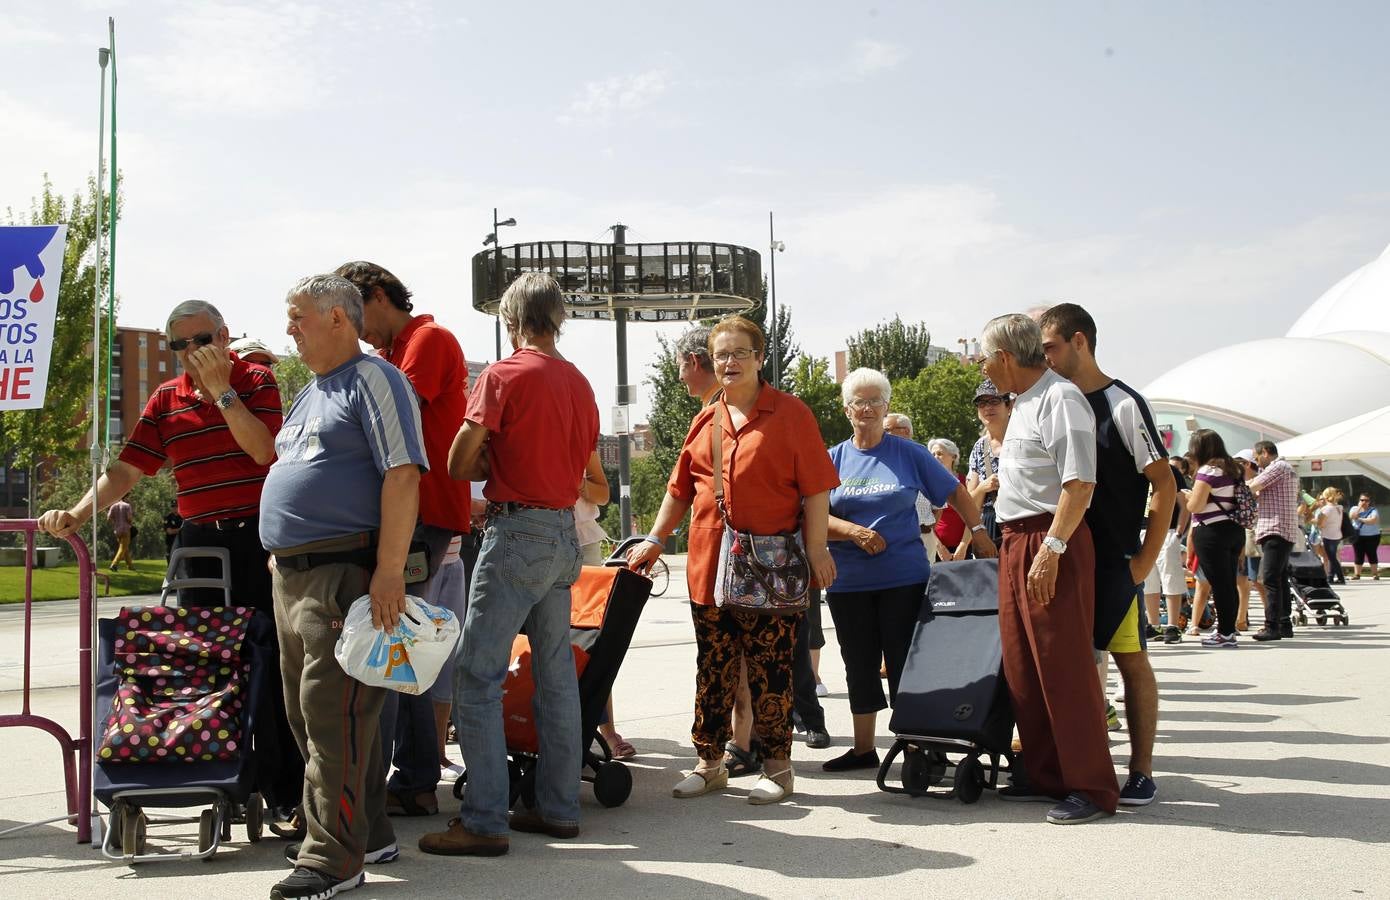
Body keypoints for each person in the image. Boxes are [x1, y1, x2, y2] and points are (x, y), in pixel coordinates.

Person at [36, 299, 302, 819]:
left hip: (258, 540)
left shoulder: (255, 381)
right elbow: (128, 469)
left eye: (200, 342)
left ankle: (286, 794)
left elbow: (263, 451)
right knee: (203, 667)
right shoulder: (166, 398)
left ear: (223, 336)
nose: (190, 355)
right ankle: (214, 779)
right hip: (199, 543)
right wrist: (78, 512)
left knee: (272, 667)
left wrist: (222, 391)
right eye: (179, 346)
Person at [259, 273, 428, 900]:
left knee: (338, 720)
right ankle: (370, 832)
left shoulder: (375, 378)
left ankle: (334, 860)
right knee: (310, 720)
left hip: (343, 575)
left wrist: (387, 572)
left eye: (298, 316)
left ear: (339, 317)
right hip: (295, 576)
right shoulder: (311, 392)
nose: (290, 328)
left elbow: (403, 474)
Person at [421, 272, 599, 856]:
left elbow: (456, 460)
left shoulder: (502, 374)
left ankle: (484, 819)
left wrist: (487, 464)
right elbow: (583, 465)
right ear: (559, 319)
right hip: (562, 534)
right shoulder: (579, 382)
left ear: (511, 319)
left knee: (478, 673)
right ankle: (558, 808)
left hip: (516, 529)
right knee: (555, 677)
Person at [627, 315, 838, 805]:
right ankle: (709, 764)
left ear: (760, 358)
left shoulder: (791, 414)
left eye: (739, 353)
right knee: (713, 668)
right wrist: (657, 538)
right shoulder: (705, 419)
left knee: (772, 670)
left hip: (772, 569)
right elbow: (679, 491)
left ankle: (778, 768)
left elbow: (816, 492)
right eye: (721, 354)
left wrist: (819, 549)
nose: (728, 362)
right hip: (709, 568)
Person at [336, 260, 474, 820]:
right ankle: (412, 776)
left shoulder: (428, 339)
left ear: (377, 295)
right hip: (409, 514)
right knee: (401, 639)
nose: (352, 324)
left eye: (354, 310)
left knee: (398, 639)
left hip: (426, 513)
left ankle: (412, 775)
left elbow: (389, 416)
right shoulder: (393, 352)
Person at [980, 312, 1117, 825]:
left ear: (1007, 357)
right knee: (1022, 665)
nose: (982, 367)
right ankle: (1046, 773)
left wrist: (1052, 549)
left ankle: (1091, 785)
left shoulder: (1061, 398)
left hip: (1047, 537)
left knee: (1063, 666)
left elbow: (1079, 484)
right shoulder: (1025, 404)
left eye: (985, 357)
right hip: (1016, 537)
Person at [822, 369, 994, 773]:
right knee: (859, 664)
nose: (867, 409)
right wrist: (851, 531)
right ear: (847, 409)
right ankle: (864, 749)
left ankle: (916, 746)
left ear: (886, 407)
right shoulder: (831, 459)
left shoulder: (909, 453)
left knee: (904, 663)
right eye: (859, 402)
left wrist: (979, 531)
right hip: (849, 583)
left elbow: (954, 491)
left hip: (904, 578)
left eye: (875, 402)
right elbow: (810, 517)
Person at [1039, 302, 1176, 807]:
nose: (1045, 357)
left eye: (1050, 346)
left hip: (1114, 564)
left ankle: (1141, 770)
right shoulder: (1050, 402)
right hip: (1063, 561)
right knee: (1069, 665)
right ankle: (1072, 767)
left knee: (1129, 659)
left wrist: (1143, 560)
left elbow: (1164, 485)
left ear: (1080, 341)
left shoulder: (1123, 403)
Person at [1184, 429, 1245, 647]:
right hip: (1234, 529)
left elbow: (1196, 506)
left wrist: (1188, 496)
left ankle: (1225, 633)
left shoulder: (1207, 471)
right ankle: (1229, 630)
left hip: (1211, 531)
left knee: (1219, 584)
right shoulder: (1233, 469)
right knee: (1228, 582)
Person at [1247, 441, 1302, 642]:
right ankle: (1284, 624)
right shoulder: (1284, 468)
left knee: (1269, 579)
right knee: (1279, 579)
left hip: (1276, 529)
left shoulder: (1278, 466)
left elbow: (1253, 486)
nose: (1255, 460)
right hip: (1280, 530)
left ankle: (1272, 626)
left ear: (1266, 452)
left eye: (1257, 456)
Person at [1142, 458, 1189, 643]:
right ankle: (1154, 625)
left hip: (1167, 530)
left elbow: (1184, 504)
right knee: (1148, 578)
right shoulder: (1136, 471)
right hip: (1141, 529)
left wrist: (1178, 533)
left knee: (1170, 576)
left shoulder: (1169, 470)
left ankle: (1173, 626)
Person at [966, 379, 1011, 547]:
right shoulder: (979, 447)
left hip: (1023, 518)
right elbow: (970, 502)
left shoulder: (1023, 439)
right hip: (991, 522)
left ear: (1009, 406)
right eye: (981, 403)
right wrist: (984, 487)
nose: (987, 407)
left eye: (994, 401)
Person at [926, 437, 973, 561]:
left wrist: (963, 545)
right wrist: (939, 547)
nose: (936, 457)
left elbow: (974, 514)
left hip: (965, 547)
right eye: (933, 454)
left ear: (953, 456)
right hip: (936, 548)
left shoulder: (965, 482)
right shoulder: (926, 484)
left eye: (940, 454)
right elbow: (924, 519)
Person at [1314, 487, 1348, 585]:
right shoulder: (1339, 507)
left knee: (1332, 558)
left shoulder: (1327, 509)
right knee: (1332, 557)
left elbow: (1321, 524)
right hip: (1337, 535)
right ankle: (1330, 578)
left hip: (1328, 536)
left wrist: (1314, 520)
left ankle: (1341, 578)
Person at [1347, 493, 1381, 579]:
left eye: (1366, 500)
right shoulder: (1354, 508)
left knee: (1372, 554)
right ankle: (1357, 574)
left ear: (1369, 502)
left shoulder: (1373, 510)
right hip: (1358, 536)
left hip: (1372, 536)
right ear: (1359, 500)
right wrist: (1359, 508)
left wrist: (1359, 518)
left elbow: (1372, 521)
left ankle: (1375, 574)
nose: (1364, 502)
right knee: (1358, 554)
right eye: (1362, 500)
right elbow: (1352, 516)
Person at [107, 498, 134, 570]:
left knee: (124, 548)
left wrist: (115, 523)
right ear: (125, 498)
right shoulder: (127, 505)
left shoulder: (113, 506)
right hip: (126, 529)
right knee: (122, 548)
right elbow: (129, 517)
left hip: (117, 530)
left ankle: (130, 566)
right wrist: (131, 522)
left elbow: (109, 518)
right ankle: (114, 564)